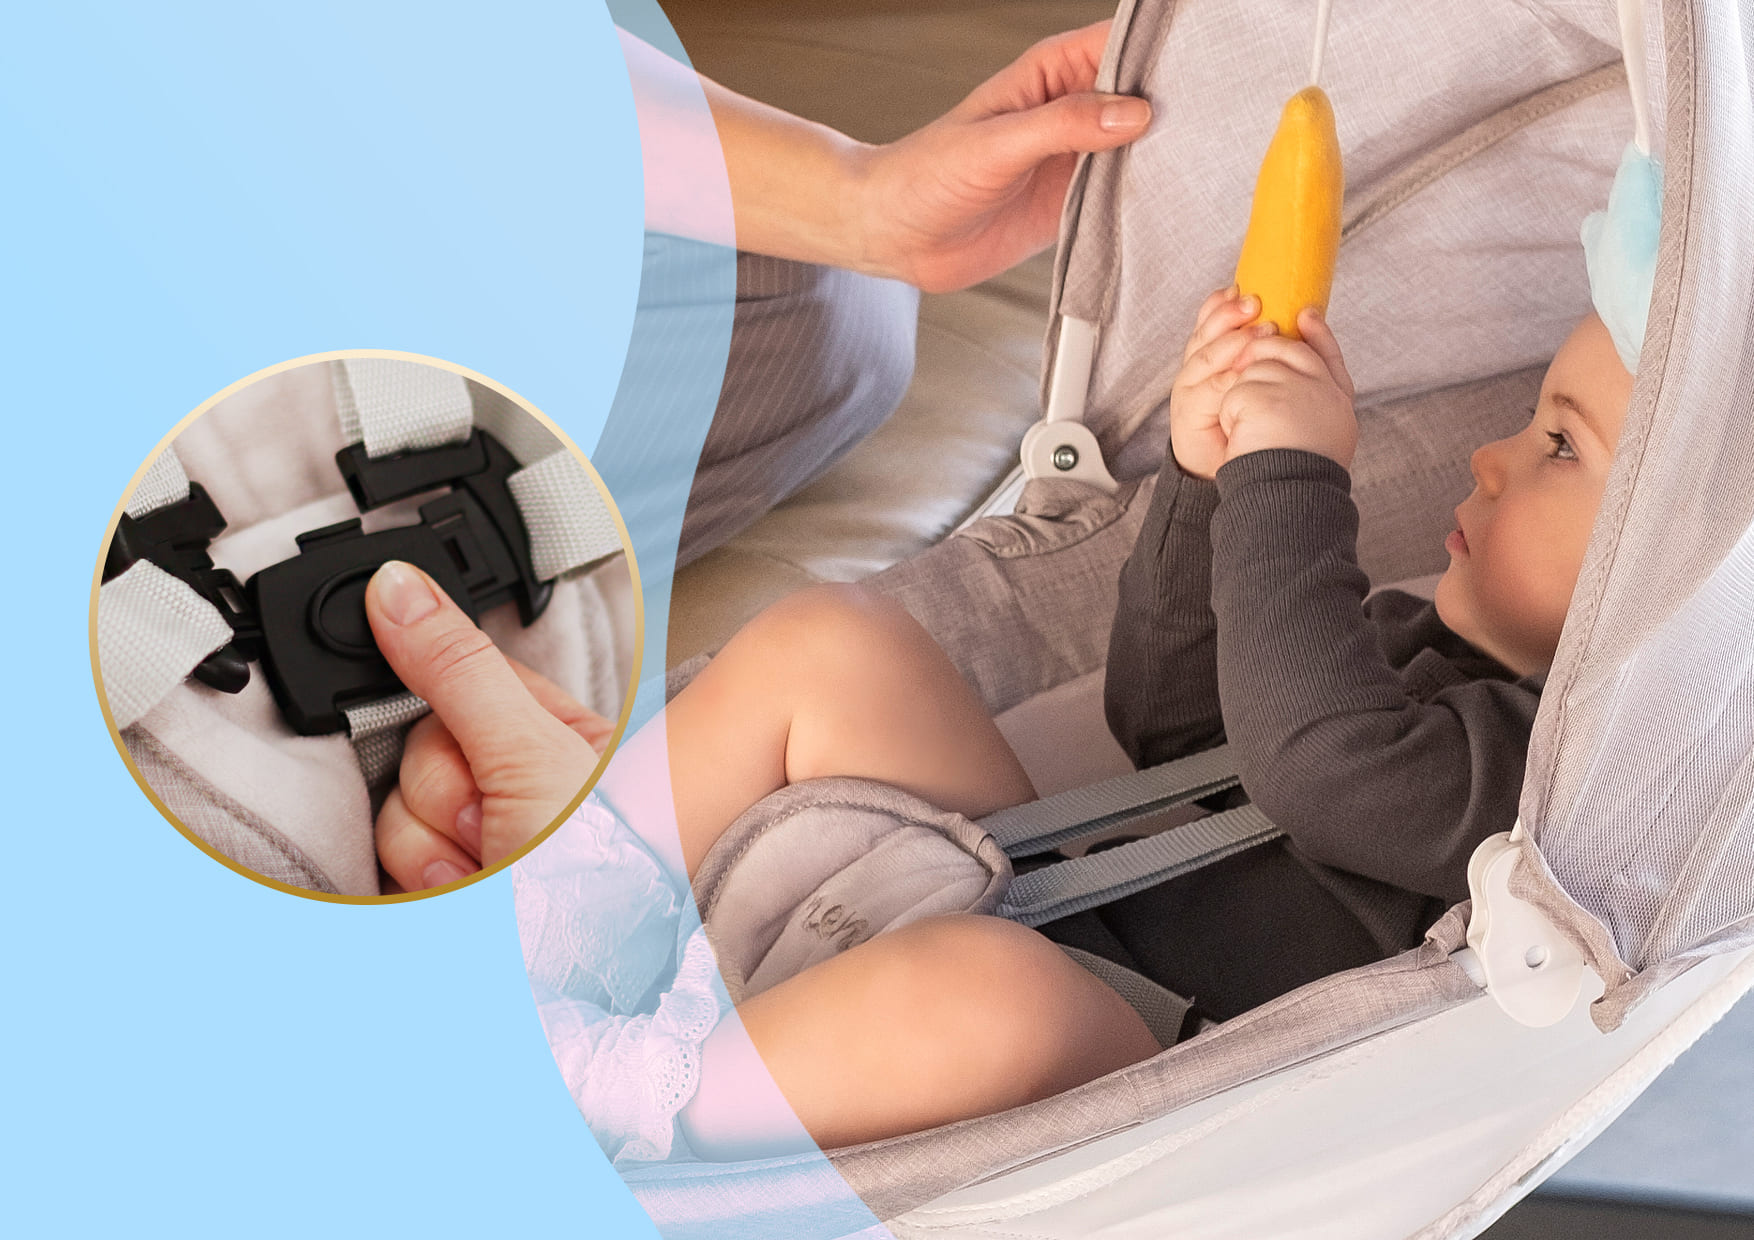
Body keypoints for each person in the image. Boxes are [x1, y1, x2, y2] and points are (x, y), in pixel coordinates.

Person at [574, 294, 1635, 1158]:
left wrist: (1288, 480)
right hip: (1053, 887)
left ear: (1660, 578)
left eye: (1555, 445)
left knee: (992, 1000)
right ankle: (556, 907)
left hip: (1140, 1057)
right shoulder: (1425, 640)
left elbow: (1317, 766)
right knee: (835, 644)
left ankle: (614, 1102)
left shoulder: (1550, 784)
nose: (1487, 456)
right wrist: (1207, 480)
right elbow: (1172, 730)